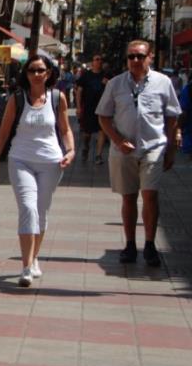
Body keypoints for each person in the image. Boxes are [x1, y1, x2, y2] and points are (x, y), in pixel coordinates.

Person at [0, 54, 74, 287]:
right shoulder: (17, 98)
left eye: (41, 70)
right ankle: (26, 266)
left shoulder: (58, 98)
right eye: (32, 70)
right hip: (20, 160)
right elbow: (3, 133)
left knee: (41, 210)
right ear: (25, 74)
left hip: (51, 162)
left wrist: (71, 150)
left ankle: (35, 257)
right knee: (28, 208)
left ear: (48, 73)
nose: (36, 74)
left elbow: (65, 129)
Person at [96, 40, 181, 267]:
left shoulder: (163, 83)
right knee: (129, 197)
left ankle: (151, 245)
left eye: (140, 56)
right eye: (131, 56)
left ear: (150, 57)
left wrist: (171, 149)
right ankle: (130, 244)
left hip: (153, 147)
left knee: (150, 195)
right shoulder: (115, 84)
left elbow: (172, 117)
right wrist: (118, 140)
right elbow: (103, 116)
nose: (135, 60)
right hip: (123, 150)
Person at [76, 54, 109, 164]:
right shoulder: (86, 75)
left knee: (102, 130)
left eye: (101, 60)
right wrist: (79, 107)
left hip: (103, 108)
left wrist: (107, 84)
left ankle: (98, 155)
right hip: (89, 107)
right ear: (92, 62)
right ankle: (86, 147)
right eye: (97, 59)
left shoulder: (106, 76)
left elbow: (113, 91)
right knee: (87, 133)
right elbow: (79, 91)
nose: (99, 61)